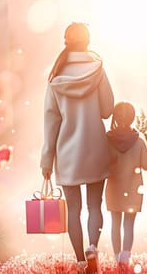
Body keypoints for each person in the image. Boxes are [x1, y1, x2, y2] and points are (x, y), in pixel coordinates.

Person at [40, 22, 114, 273]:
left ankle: (81, 261)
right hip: (96, 147)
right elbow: (107, 110)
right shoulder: (98, 70)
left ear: (66, 41)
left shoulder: (55, 77)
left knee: (73, 209)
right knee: (95, 205)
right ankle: (93, 246)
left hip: (67, 152)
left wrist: (46, 159)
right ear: (88, 41)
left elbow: (51, 121)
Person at [104, 102, 147, 268]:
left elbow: (102, 163)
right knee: (129, 224)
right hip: (133, 189)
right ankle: (125, 257)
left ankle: (116, 257)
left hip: (114, 188)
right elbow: (146, 165)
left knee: (115, 223)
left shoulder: (107, 140)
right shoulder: (139, 142)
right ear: (133, 118)